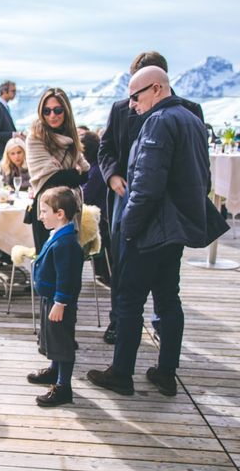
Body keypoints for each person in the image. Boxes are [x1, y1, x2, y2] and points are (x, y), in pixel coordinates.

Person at [87, 66, 227, 397]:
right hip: (175, 230)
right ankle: (166, 372)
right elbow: (201, 178)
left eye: (135, 97)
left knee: (128, 300)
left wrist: (128, 229)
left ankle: (121, 373)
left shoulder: (159, 122)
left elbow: (146, 186)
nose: (131, 105)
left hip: (150, 230)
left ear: (156, 89)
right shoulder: (192, 118)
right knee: (168, 298)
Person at [97, 51, 205, 345]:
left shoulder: (189, 110)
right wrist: (112, 176)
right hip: (125, 197)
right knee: (121, 267)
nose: (134, 102)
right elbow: (105, 150)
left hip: (166, 208)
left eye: (138, 93)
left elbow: (197, 164)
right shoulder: (120, 109)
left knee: (164, 282)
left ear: (158, 82)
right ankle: (118, 322)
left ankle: (152, 331)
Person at [27, 186, 84, 407]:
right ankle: (54, 370)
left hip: (59, 302)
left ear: (59, 214)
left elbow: (66, 277)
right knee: (52, 338)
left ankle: (63, 387)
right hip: (50, 299)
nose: (40, 216)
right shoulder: (58, 235)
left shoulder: (66, 243)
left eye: (43, 212)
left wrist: (60, 302)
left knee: (62, 342)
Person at [26, 88, 90, 254]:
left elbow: (85, 174)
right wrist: (73, 173)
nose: (52, 115)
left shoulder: (72, 136)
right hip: (47, 208)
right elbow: (51, 179)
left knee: (69, 264)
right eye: (47, 111)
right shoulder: (35, 137)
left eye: (58, 110)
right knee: (48, 266)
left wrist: (69, 174)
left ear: (66, 111)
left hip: (71, 209)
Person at [0, 137, 30, 267]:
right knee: (0, 221)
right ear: (8, 155)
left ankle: (7, 255)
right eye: (12, 153)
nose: (16, 156)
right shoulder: (4, 166)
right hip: (8, 202)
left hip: (25, 204)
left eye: (19, 152)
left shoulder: (30, 165)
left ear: (24, 152)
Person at [80, 131, 110, 282]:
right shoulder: (96, 166)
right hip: (99, 216)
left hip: (99, 220)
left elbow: (85, 196)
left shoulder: (95, 170)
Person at [0, 80, 22, 172]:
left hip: (8, 157)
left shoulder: (4, 108)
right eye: (13, 91)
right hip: (2, 158)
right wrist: (13, 135)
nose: (15, 93)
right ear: (4, 92)